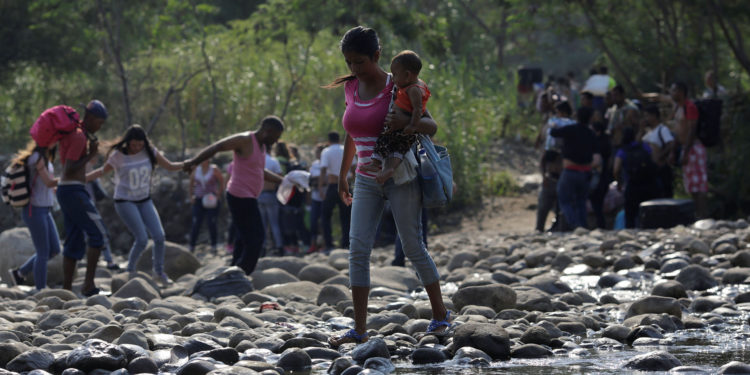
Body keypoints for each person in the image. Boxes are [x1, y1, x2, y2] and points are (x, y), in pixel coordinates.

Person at [324, 26, 450, 347]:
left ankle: (440, 315)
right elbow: (354, 133)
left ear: (377, 56)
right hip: (365, 178)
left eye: (360, 62)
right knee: (357, 250)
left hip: (401, 176)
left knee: (412, 246)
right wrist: (343, 174)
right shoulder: (351, 88)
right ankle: (360, 329)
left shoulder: (399, 84)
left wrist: (405, 123)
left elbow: (431, 126)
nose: (353, 69)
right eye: (349, 62)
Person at [183, 116, 284, 275]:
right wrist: (193, 162)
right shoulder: (244, 140)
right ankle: (241, 274)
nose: (276, 141)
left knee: (243, 238)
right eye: (276, 137)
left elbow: (259, 171)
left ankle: (233, 271)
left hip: (250, 196)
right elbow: (217, 147)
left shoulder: (262, 147)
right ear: (267, 132)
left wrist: (283, 180)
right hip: (239, 196)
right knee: (256, 238)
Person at [87, 125, 183, 286]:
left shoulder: (149, 151)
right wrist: (77, 180)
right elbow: (102, 172)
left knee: (159, 236)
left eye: (140, 145)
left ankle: (158, 273)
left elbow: (170, 166)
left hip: (144, 200)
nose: (137, 148)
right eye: (133, 145)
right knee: (142, 238)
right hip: (125, 201)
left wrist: (189, 163)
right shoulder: (118, 156)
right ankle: (130, 271)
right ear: (127, 143)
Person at [56, 100, 107, 296]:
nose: (99, 126)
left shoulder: (76, 134)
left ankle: (67, 291)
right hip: (73, 190)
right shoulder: (78, 137)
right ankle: (88, 286)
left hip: (67, 191)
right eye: (99, 122)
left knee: (74, 239)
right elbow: (69, 169)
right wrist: (91, 154)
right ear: (91, 118)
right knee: (99, 235)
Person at [371, 50, 431, 184]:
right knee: (389, 143)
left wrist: (411, 125)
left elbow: (418, 110)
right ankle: (376, 163)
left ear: (408, 75)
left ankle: (388, 168)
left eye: (395, 75)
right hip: (397, 127)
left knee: (397, 146)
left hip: (405, 129)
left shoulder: (414, 89)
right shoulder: (406, 85)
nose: (393, 78)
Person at [10, 143, 61, 291]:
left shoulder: (45, 157)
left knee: (54, 249)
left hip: (45, 209)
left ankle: (20, 273)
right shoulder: (37, 157)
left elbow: (46, 184)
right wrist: (72, 178)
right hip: (34, 209)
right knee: (43, 252)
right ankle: (40, 290)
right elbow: (49, 182)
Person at [550, 107, 601, 229]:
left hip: (570, 171)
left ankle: (574, 225)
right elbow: (596, 156)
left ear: (576, 117)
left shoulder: (570, 129)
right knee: (581, 202)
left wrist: (553, 123)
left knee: (564, 199)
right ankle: (582, 226)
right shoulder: (591, 134)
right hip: (585, 173)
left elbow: (553, 133)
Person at [670, 81, 708, 218]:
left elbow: (692, 129)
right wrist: (674, 151)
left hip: (694, 149)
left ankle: (703, 216)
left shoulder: (690, 107)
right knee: (691, 185)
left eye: (674, 90)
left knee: (700, 185)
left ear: (680, 92)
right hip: (684, 148)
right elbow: (677, 131)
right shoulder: (677, 108)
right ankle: (697, 215)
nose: (671, 93)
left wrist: (686, 151)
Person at [614, 127, 660, 228]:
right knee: (649, 214)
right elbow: (655, 160)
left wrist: (619, 182)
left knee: (630, 215)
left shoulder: (623, 151)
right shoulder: (644, 147)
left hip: (632, 186)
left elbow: (616, 169)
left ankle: (631, 234)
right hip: (649, 185)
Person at [320, 131, 352, 251]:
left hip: (333, 186)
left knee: (325, 216)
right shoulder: (345, 149)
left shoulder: (326, 151)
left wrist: (320, 187)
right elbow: (354, 168)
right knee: (346, 216)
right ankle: (345, 243)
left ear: (329, 141)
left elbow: (323, 170)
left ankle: (329, 243)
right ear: (339, 140)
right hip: (347, 185)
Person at [188, 158, 224, 253]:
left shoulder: (214, 169)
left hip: (211, 199)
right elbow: (191, 183)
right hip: (199, 199)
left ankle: (214, 245)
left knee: (211, 222)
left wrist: (218, 194)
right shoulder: (196, 170)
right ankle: (192, 245)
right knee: (196, 223)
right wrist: (191, 196)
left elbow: (221, 181)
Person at [641, 105, 675, 198]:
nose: (646, 119)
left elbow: (671, 144)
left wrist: (660, 156)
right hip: (651, 170)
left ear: (654, 116)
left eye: (647, 116)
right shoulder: (648, 132)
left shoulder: (662, 129)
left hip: (661, 169)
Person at [258, 149, 284, 256]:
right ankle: (279, 247)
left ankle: (263, 248)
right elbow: (281, 178)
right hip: (271, 194)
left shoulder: (258, 160)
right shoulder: (273, 161)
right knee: (274, 223)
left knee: (262, 224)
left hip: (259, 194)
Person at [307, 144, 327, 254]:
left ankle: (325, 244)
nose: (317, 154)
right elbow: (310, 179)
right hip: (315, 196)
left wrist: (318, 180)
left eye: (318, 152)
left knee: (324, 221)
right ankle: (313, 244)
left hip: (325, 195)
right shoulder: (314, 165)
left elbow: (326, 179)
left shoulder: (327, 164)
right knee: (313, 222)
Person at [607, 85, 640, 151]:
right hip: (615, 144)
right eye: (613, 95)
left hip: (628, 146)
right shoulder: (613, 109)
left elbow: (637, 127)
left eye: (616, 95)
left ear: (623, 95)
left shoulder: (631, 109)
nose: (614, 98)